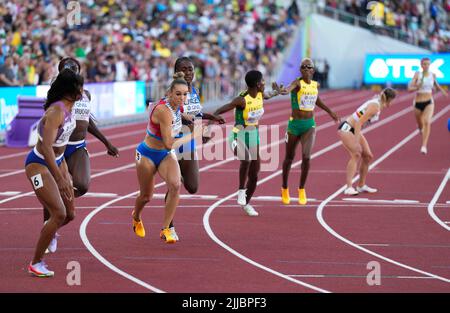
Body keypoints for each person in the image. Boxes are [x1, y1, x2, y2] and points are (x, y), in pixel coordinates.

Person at [42, 57, 119, 254]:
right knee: (57, 188)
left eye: (74, 67)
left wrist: (106, 142)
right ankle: (50, 225)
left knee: (82, 185)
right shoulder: (58, 95)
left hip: (77, 146)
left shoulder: (85, 94)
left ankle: (54, 210)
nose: (71, 69)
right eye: (67, 67)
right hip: (59, 147)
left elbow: (87, 122)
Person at [25, 69, 84, 277]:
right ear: (72, 90)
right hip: (38, 164)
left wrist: (65, 172)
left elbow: (62, 147)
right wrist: (59, 179)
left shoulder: (72, 107)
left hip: (58, 163)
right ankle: (36, 262)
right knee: (58, 213)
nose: (83, 91)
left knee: (70, 214)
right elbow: (48, 148)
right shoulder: (56, 112)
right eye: (80, 87)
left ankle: (49, 230)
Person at [132, 72, 203, 243]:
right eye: (178, 94)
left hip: (164, 155)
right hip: (148, 154)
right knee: (146, 196)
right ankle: (136, 216)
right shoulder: (164, 111)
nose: (182, 98)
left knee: (176, 184)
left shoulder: (177, 105)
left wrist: (189, 119)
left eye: (185, 94)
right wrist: (194, 134)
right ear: (170, 94)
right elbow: (169, 144)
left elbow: (179, 115)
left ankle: (166, 229)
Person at [167, 57, 225, 240]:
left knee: (192, 186)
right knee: (175, 186)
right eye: (184, 70)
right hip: (172, 144)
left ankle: (174, 180)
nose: (188, 73)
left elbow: (195, 114)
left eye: (191, 70)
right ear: (176, 72)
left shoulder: (195, 91)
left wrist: (211, 118)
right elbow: (178, 115)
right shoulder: (173, 92)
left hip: (188, 143)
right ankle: (168, 227)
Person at [212, 70, 283, 216]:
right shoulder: (242, 99)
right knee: (246, 160)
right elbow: (222, 108)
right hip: (238, 135)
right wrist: (212, 119)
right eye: (263, 81)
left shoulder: (261, 95)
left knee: (255, 174)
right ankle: (240, 190)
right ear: (257, 84)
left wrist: (277, 92)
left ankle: (246, 203)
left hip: (253, 135)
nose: (265, 83)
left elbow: (269, 94)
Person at [280, 58, 339, 205]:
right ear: (300, 70)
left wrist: (330, 111)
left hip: (309, 125)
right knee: (289, 158)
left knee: (306, 157)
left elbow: (317, 100)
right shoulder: (297, 83)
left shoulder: (315, 85)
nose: (306, 69)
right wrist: (282, 90)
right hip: (294, 126)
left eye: (309, 67)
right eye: (303, 67)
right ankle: (285, 187)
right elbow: (287, 89)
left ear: (313, 70)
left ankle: (301, 189)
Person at [338, 88, 397, 195]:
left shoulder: (377, 104)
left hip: (354, 128)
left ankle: (361, 185)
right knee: (356, 154)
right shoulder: (375, 107)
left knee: (368, 156)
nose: (392, 103)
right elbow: (358, 123)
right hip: (346, 128)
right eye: (392, 100)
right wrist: (356, 141)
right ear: (388, 100)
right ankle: (348, 187)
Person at [408, 57, 448, 154]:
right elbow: (410, 88)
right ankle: (420, 127)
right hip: (417, 103)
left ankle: (424, 146)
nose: (426, 66)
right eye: (424, 64)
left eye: (428, 64)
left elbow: (436, 85)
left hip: (429, 102)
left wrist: (443, 91)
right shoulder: (417, 75)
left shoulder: (432, 75)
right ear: (421, 65)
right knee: (420, 123)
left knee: (427, 121)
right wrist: (418, 86)